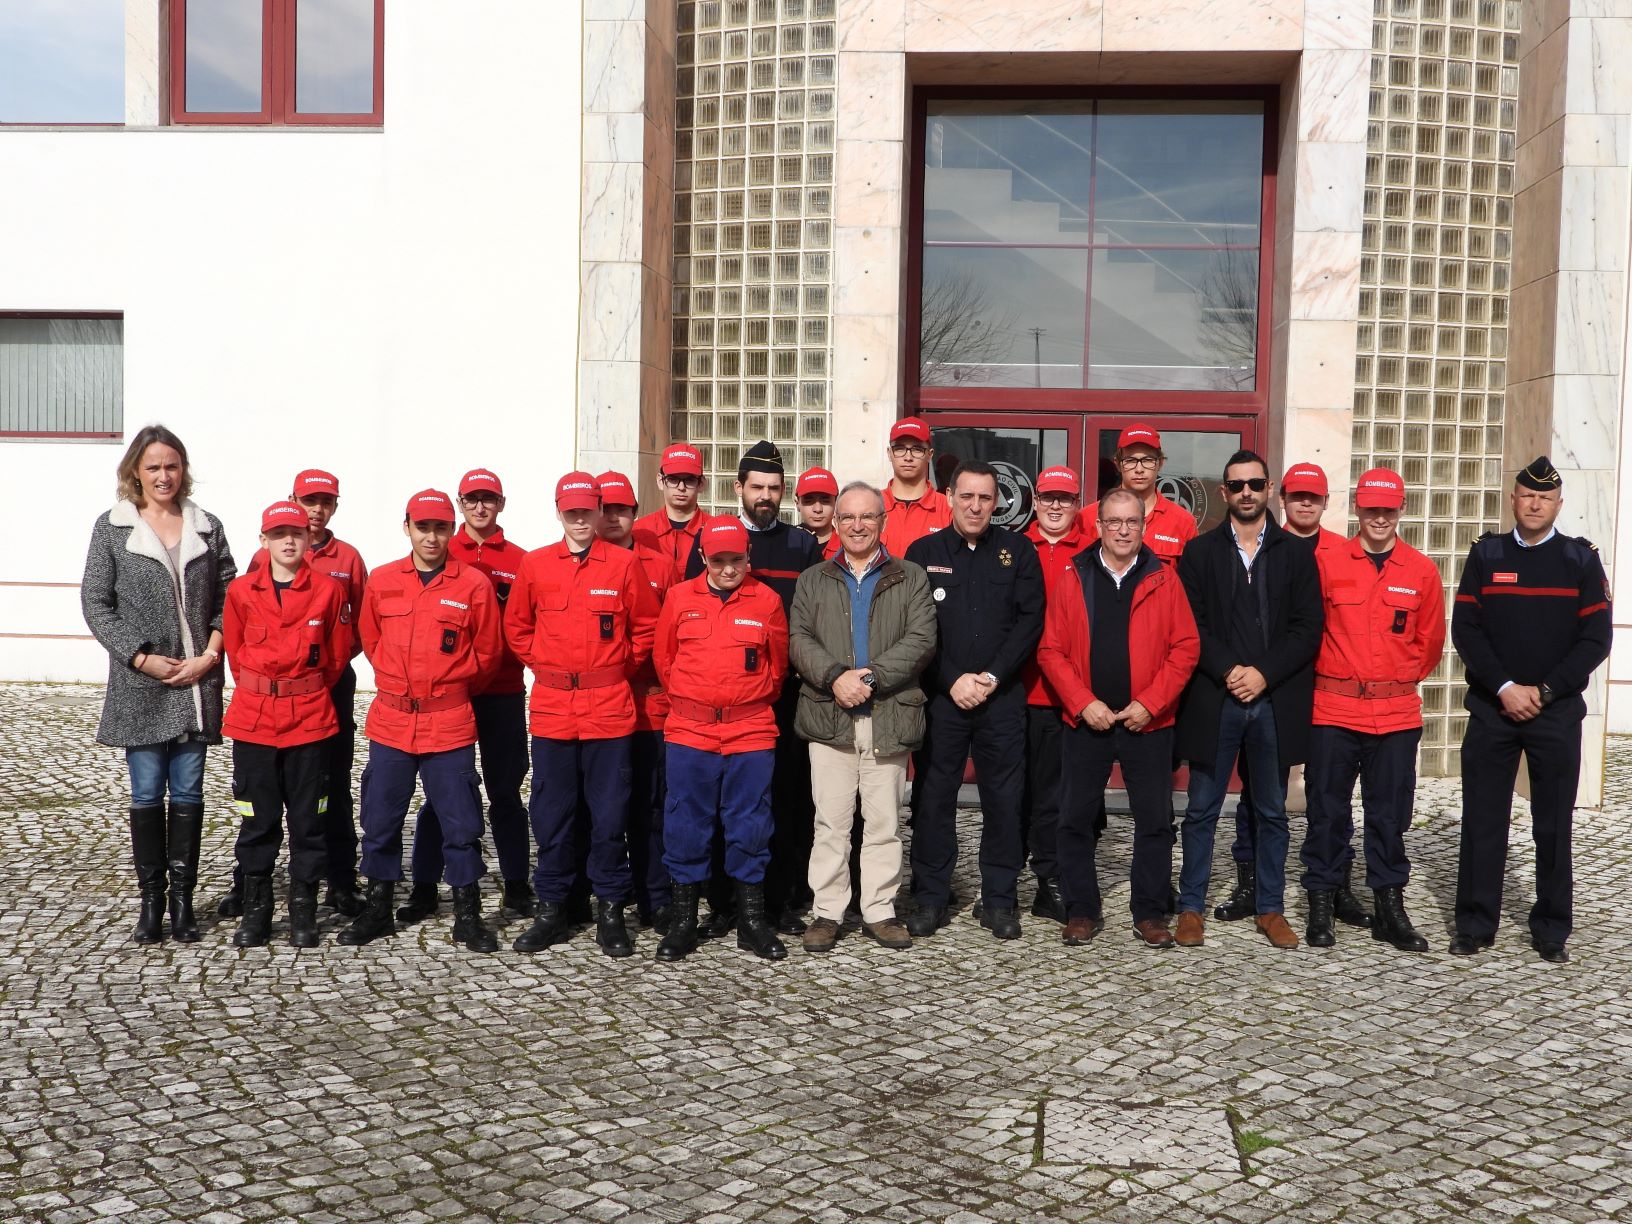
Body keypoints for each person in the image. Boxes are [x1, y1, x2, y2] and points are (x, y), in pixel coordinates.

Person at [1450, 457, 1612, 963]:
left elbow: (1595, 640)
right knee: (1482, 819)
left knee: (1553, 823)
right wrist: (1503, 687)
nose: (1535, 503)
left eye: (1544, 497)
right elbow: (1466, 629)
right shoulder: (1486, 554)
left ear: (1558, 504)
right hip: (1492, 708)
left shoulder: (1579, 560)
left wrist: (1542, 691)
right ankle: (1475, 923)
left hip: (1555, 711)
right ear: (1513, 500)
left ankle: (1551, 929)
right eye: (1526, 495)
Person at [82, 425, 237, 944]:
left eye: (171, 465)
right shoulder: (113, 528)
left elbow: (229, 599)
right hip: (141, 683)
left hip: (196, 681)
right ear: (136, 473)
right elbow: (96, 603)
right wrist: (140, 658)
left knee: (189, 791)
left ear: (183, 470)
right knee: (147, 792)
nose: (164, 475)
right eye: (153, 467)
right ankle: (151, 903)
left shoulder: (206, 527)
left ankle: (183, 904)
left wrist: (211, 655)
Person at [338, 489, 505, 953]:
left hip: (448, 717)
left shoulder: (472, 585)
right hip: (392, 718)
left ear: (452, 530)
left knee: (461, 821)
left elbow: (488, 652)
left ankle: (467, 914)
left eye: (441, 527)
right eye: (423, 527)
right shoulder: (385, 580)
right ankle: (378, 907)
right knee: (381, 816)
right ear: (407, 527)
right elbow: (371, 639)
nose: (432, 536)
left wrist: (448, 686)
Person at [1172, 452, 1323, 950]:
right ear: (1224, 492)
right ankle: (1191, 907)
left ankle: (1271, 908)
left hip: (1273, 700)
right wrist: (1230, 670)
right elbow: (1191, 625)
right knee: (1200, 811)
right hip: (1216, 698)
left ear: (1269, 489)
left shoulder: (1296, 553)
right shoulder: (1199, 553)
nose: (1246, 493)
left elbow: (1307, 629)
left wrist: (1262, 674)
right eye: (1236, 485)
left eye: (1255, 484)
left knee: (1272, 811)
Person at [504, 473, 660, 957]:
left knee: (610, 812)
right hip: (553, 708)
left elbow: (645, 628)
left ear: (597, 511)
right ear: (558, 511)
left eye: (586, 510)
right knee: (552, 812)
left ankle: (610, 908)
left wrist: (612, 669)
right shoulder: (535, 565)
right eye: (570, 510)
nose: (578, 518)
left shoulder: (624, 565)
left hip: (608, 709)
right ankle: (553, 906)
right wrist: (549, 665)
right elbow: (518, 628)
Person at [1038, 488, 1200, 947]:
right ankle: (1081, 910)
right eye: (1114, 522)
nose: (1123, 530)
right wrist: (1080, 701)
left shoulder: (1164, 577)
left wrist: (1151, 702)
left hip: (1145, 721)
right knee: (1073, 819)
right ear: (1099, 526)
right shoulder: (1074, 574)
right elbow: (1050, 649)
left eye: (1131, 522)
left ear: (1143, 526)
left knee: (1153, 821)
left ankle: (1149, 912)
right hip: (1087, 718)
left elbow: (1185, 647)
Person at [1214, 462, 1369, 930]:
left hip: (1328, 690)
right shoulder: (1259, 547)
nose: (1305, 503)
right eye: (1297, 496)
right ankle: (1252, 880)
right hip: (1277, 687)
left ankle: (1333, 883)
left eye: (1313, 497)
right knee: (1261, 792)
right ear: (1283, 499)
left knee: (1330, 794)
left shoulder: (1346, 553)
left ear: (1325, 502)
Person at [215, 468, 371, 920]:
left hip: (324, 687)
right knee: (260, 795)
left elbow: (354, 628)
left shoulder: (349, 559)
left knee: (329, 787)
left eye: (325, 501)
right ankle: (249, 886)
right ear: (294, 501)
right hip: (267, 698)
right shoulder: (259, 564)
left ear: (335, 506)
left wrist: (316, 674)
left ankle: (340, 881)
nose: (317, 509)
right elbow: (242, 644)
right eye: (309, 500)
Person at [1299, 468, 1444, 951]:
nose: (1379, 517)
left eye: (1388, 509)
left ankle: (1389, 907)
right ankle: (1322, 900)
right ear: (1357, 509)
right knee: (1326, 812)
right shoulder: (1329, 562)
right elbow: (1310, 630)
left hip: (1395, 712)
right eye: (1370, 508)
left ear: (1400, 510)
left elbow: (1429, 646)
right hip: (1333, 708)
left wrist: (1391, 683)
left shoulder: (1421, 570)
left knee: (1389, 814)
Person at [789, 481, 937, 952]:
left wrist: (867, 679)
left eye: (867, 516)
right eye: (848, 517)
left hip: (888, 712)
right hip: (828, 713)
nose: (857, 525)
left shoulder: (910, 576)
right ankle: (828, 911)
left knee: (883, 822)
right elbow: (799, 640)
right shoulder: (814, 578)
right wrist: (836, 677)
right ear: (835, 523)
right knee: (830, 822)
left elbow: (921, 640)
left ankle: (880, 909)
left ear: (882, 521)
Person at [686, 440, 823, 934]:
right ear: (738, 488)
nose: (765, 496)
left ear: (783, 492)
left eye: (773, 488)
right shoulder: (713, 539)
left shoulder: (801, 545)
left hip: (781, 696)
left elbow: (809, 621)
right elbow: (685, 616)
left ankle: (780, 899)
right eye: (756, 487)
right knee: (725, 801)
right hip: (724, 700)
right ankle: (723, 900)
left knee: (784, 798)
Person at [904, 460, 1044, 940]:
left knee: (1004, 801)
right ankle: (929, 896)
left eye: (986, 498)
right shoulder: (923, 552)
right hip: (942, 700)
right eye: (967, 496)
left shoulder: (1018, 551)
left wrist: (989, 676)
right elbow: (916, 630)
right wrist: (951, 680)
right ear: (949, 496)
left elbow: (1030, 621)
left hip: (1000, 699)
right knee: (932, 799)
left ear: (996, 502)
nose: (976, 506)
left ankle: (1000, 900)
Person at [398, 468, 534, 927]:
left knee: (505, 791)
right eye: (472, 499)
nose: (480, 507)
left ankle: (516, 883)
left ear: (501, 503)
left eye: (488, 499)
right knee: (443, 793)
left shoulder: (520, 560)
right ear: (459, 504)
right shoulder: (439, 551)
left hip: (501, 691)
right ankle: (424, 884)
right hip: (449, 694)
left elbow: (521, 627)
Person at [653, 518, 792, 961]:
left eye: (736, 559)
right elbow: (665, 661)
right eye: (719, 560)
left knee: (751, 820)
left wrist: (740, 703)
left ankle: (750, 921)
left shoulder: (767, 601)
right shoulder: (678, 598)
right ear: (704, 558)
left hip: (749, 728)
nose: (729, 569)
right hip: (690, 728)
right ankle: (683, 921)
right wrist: (698, 701)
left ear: (748, 556)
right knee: (685, 821)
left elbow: (776, 670)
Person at [596, 469, 677, 931]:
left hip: (649, 703)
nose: (613, 518)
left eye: (622, 510)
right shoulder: (580, 563)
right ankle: (604, 888)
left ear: (633, 513)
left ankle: (655, 895)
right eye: (605, 509)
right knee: (603, 803)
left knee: (652, 804)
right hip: (598, 705)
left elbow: (668, 636)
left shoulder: (660, 564)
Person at [1021, 465, 1093, 924]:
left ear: (1076, 503)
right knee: (1016, 795)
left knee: (1064, 798)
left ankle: (1052, 880)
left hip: (1072, 697)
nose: (1055, 506)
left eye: (1065, 499)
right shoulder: (1013, 547)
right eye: (1048, 497)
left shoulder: (1092, 550)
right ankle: (1006, 879)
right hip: (1020, 693)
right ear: (1034, 500)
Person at [1081, 423, 1198, 566]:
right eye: (1130, 461)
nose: (1139, 469)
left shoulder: (1183, 522)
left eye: (1147, 460)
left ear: (1160, 463)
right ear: (1117, 464)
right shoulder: (1088, 517)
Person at [633, 443, 711, 583]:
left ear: (701, 484)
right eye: (673, 479)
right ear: (660, 481)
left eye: (690, 480)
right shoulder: (638, 531)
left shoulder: (713, 530)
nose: (681, 487)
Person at [881, 417, 952, 558]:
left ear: (929, 455)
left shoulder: (948, 509)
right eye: (900, 449)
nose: (908, 457)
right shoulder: (872, 505)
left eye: (917, 449)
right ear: (889, 453)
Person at [795, 466, 841, 559]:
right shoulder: (783, 544)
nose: (818, 509)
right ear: (797, 503)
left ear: (836, 503)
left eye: (825, 501)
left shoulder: (847, 549)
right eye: (809, 501)